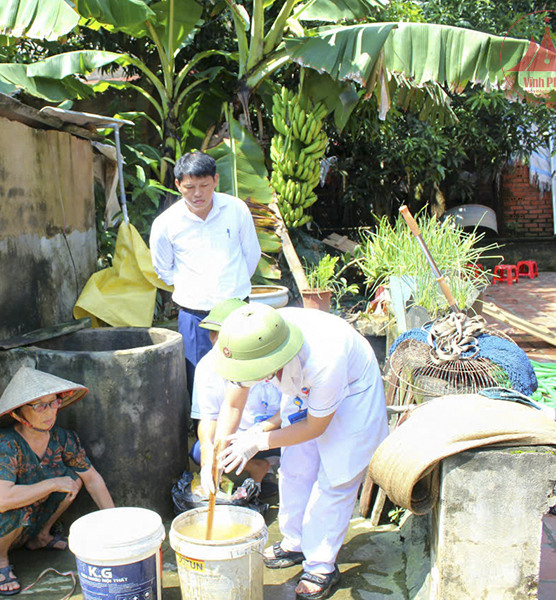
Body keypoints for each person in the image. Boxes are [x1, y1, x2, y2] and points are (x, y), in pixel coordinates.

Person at [204, 303, 388, 600]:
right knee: (295, 466)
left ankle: (321, 564)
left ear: (270, 362)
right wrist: (216, 453)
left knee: (335, 480)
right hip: (304, 387)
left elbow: (315, 427)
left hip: (353, 392)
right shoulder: (250, 342)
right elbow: (234, 404)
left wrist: (258, 441)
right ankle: (295, 542)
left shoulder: (324, 358)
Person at [0, 366, 114, 596]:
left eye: (54, 402)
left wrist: (116, 523)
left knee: (74, 479)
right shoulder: (6, 445)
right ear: (18, 413)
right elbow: (1, 501)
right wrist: (52, 484)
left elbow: (92, 480)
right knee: (15, 502)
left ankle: (42, 536)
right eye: (40, 405)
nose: (49, 411)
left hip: (29, 523)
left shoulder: (63, 439)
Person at [149, 151, 260, 391]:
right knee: (200, 380)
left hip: (237, 310)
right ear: (178, 185)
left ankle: (242, 427)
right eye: (189, 187)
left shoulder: (236, 210)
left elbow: (251, 255)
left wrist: (233, 287)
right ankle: (203, 428)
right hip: (194, 316)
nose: (198, 193)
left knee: (244, 376)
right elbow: (162, 269)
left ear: (216, 180)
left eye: (204, 185)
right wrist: (193, 290)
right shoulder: (166, 223)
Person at [191, 298, 281, 497]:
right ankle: (257, 468)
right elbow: (210, 416)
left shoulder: (269, 360)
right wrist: (209, 456)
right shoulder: (207, 367)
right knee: (199, 451)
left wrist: (256, 434)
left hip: (275, 433)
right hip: (234, 436)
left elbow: (292, 410)